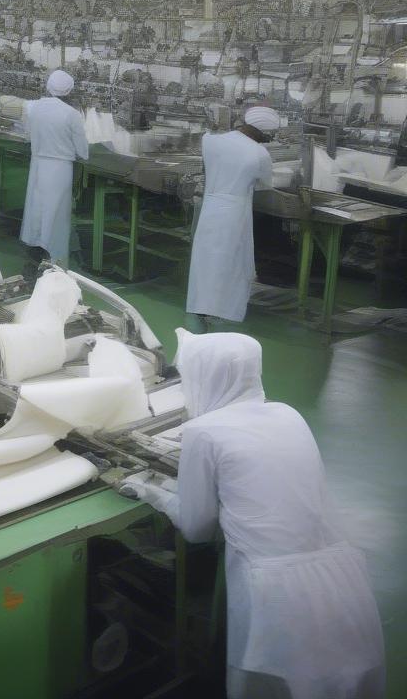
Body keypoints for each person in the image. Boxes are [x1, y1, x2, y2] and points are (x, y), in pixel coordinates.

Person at [122, 331, 384, 699]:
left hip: (276, 593)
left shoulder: (204, 432)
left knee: (277, 685)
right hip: (340, 582)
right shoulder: (287, 414)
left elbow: (198, 528)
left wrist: (154, 493)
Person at [186, 106, 279, 324]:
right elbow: (265, 186)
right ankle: (223, 310)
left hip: (210, 205)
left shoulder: (210, 141)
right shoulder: (260, 153)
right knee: (230, 261)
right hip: (235, 211)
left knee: (205, 258)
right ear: (262, 132)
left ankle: (199, 304)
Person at [20, 69, 88, 266]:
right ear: (70, 91)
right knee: (56, 214)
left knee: (37, 210)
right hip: (60, 169)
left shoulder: (33, 107)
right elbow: (83, 151)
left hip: (38, 165)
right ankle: (54, 259)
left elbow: (27, 134)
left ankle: (34, 254)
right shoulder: (72, 115)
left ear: (48, 86)